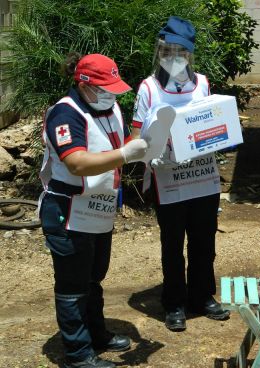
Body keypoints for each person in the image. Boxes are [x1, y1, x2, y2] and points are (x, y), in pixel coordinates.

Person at [39, 52, 148, 368]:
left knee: (93, 278)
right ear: (83, 83)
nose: (111, 93)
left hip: (98, 209)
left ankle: (96, 334)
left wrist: (143, 148)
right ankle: (77, 354)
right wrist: (126, 155)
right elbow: (76, 162)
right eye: (104, 87)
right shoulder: (65, 113)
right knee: (73, 283)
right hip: (68, 211)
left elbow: (120, 144)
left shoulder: (110, 107)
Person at [131, 16, 230, 331]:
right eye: (170, 51)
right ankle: (174, 302)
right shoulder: (149, 88)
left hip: (202, 178)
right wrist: (152, 152)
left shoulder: (201, 83)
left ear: (190, 54)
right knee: (172, 242)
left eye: (183, 52)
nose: (176, 58)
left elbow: (214, 124)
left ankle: (202, 296)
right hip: (168, 180)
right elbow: (135, 135)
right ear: (160, 51)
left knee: (204, 239)